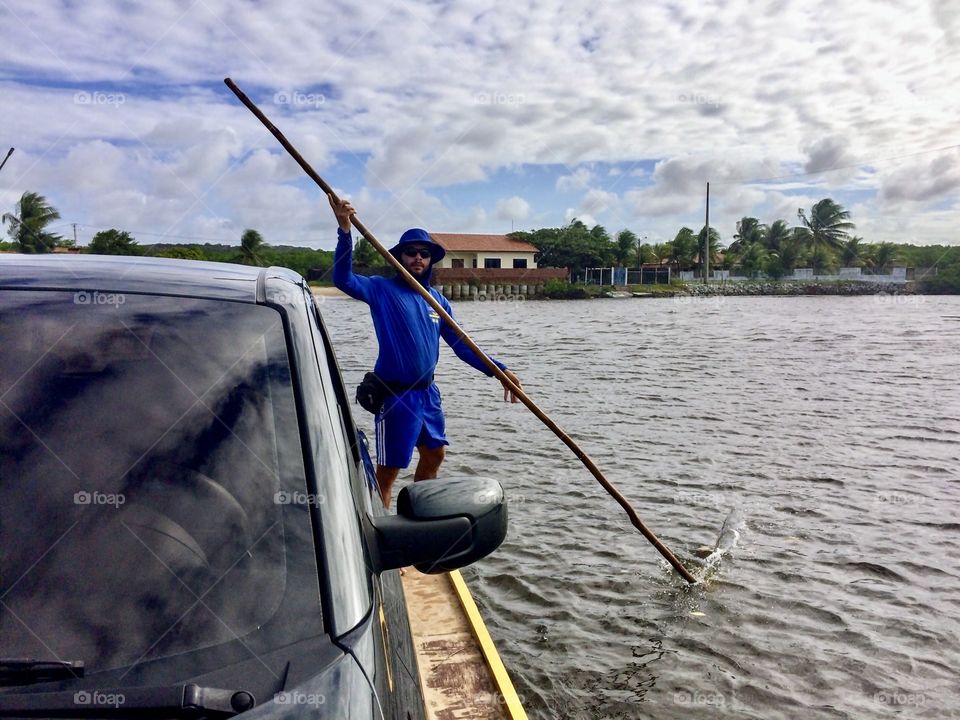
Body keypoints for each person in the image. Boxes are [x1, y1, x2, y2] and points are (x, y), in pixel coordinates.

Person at [329, 194, 522, 508]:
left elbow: (461, 345)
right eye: (410, 253)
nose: (417, 258)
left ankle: (417, 523)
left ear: (431, 260)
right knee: (388, 472)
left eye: (424, 253)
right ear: (400, 257)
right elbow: (343, 279)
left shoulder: (437, 301)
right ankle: (382, 544)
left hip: (427, 394)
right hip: (396, 396)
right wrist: (345, 230)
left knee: (435, 454)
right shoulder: (381, 289)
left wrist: (498, 371)